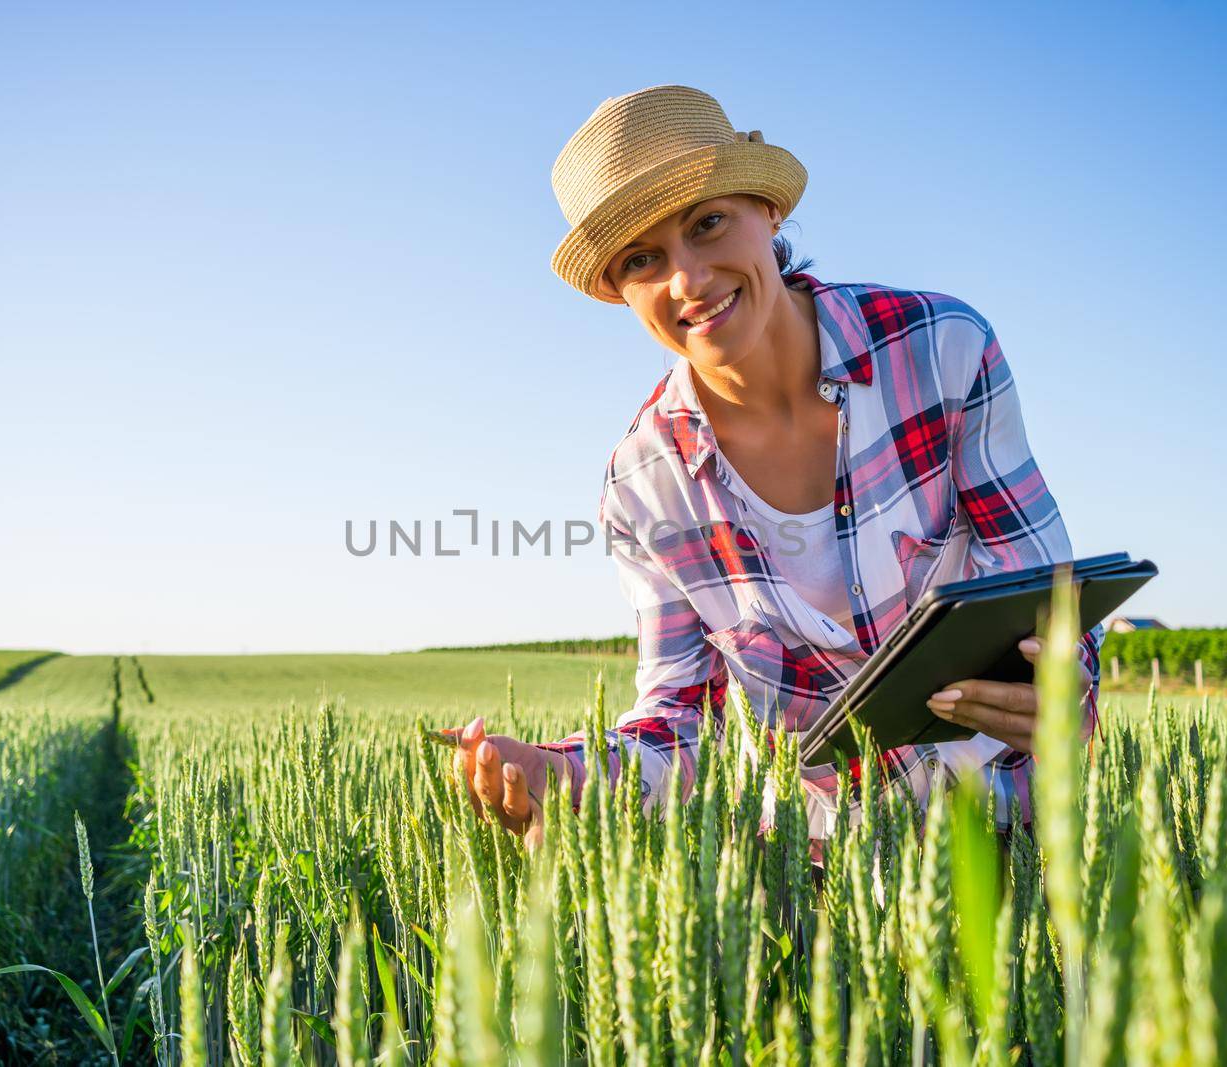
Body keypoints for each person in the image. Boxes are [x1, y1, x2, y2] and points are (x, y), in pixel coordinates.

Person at [446, 84, 1100, 858]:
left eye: (707, 223)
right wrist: (571, 776)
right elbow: (680, 721)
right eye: (643, 259)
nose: (687, 279)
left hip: (1010, 835)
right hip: (813, 873)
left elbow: (1044, 601)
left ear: (769, 211)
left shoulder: (942, 350)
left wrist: (1060, 685)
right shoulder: (641, 486)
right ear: (619, 293)